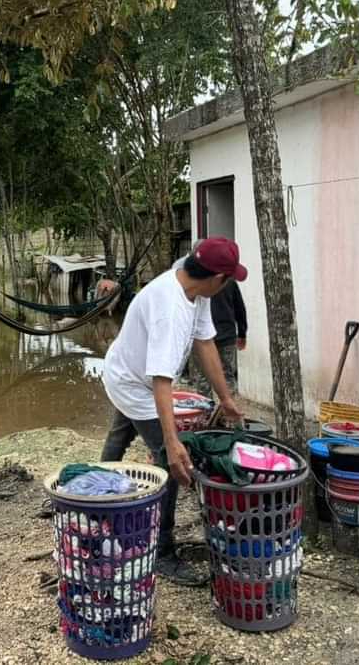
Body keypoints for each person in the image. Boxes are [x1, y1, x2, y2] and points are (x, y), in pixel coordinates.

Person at [99, 236, 246, 585]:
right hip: (134, 383)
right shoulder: (171, 308)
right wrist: (172, 440)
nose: (227, 286)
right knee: (170, 458)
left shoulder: (193, 289)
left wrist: (225, 398)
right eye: (228, 280)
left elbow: (205, 342)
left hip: (127, 369)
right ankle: (162, 551)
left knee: (120, 435)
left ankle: (95, 500)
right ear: (216, 278)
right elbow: (162, 380)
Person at [177, 241, 247, 398]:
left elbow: (239, 307)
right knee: (226, 375)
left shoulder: (222, 281)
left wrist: (242, 333)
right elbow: (240, 309)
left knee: (203, 380)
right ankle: (219, 415)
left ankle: (213, 415)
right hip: (223, 336)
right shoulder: (190, 290)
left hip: (218, 337)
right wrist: (242, 333)